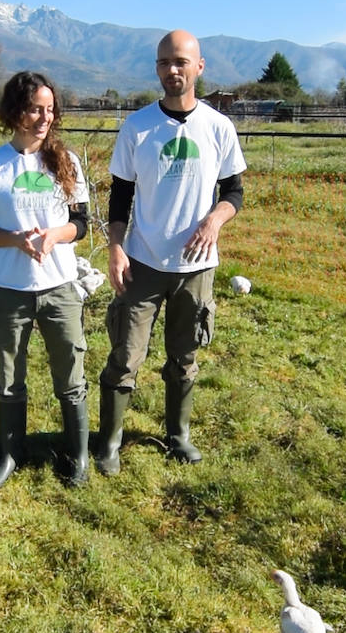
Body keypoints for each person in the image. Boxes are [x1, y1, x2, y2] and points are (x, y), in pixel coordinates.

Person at [97, 30, 246, 475]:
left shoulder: (219, 128)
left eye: (181, 61)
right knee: (125, 356)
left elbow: (234, 191)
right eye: (164, 62)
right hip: (143, 261)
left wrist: (215, 220)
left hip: (197, 267)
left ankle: (178, 436)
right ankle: (109, 443)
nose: (172, 70)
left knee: (185, 356)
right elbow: (120, 198)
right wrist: (116, 250)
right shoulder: (138, 127)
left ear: (199, 67)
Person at [0, 71, 91, 488]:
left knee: (71, 377)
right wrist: (16, 240)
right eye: (36, 109)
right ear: (15, 111)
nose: (45, 117)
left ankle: (78, 456)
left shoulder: (67, 162)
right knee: (8, 377)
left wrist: (55, 234)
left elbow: (81, 224)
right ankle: (10, 455)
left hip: (60, 288)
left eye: (50, 109)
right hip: (9, 289)